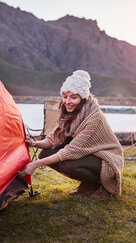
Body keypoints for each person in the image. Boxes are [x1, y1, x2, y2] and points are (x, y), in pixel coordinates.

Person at [19, 70, 124, 200]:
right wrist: (35, 143)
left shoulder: (95, 118)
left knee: (67, 164)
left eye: (73, 97)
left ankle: (100, 184)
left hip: (106, 157)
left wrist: (34, 164)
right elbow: (53, 139)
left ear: (83, 98)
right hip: (88, 154)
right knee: (45, 153)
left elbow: (71, 151)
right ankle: (88, 184)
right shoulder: (68, 112)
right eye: (65, 96)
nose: (67, 101)